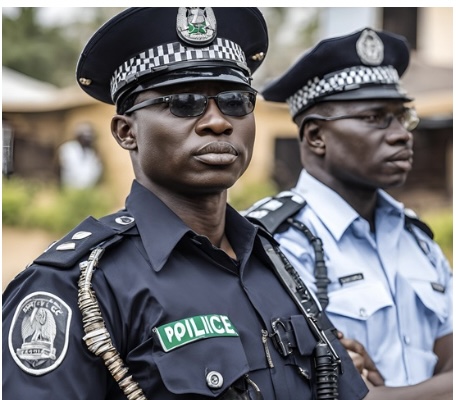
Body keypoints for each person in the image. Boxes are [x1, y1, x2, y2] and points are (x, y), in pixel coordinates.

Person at [2, 8, 368, 400]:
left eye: (235, 100)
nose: (218, 122)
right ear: (127, 132)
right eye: (184, 102)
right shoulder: (76, 284)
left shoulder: (271, 261)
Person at [244, 28, 453, 399]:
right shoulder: (272, 241)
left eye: (402, 117)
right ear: (315, 136)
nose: (401, 134)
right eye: (375, 118)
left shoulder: (416, 239)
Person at [57, 122, 103, 188]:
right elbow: (60, 168)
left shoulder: (92, 153)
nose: (88, 139)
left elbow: (95, 171)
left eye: (90, 136)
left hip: (88, 190)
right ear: (78, 137)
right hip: (69, 187)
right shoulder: (67, 149)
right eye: (85, 136)